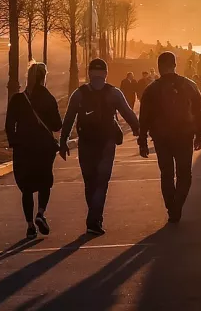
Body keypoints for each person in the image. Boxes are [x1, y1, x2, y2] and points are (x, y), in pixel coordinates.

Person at [59, 58, 140, 236]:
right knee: (102, 182)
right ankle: (94, 218)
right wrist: (138, 132)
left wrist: (63, 142)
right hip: (106, 143)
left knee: (90, 181)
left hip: (86, 142)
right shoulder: (114, 93)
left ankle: (94, 217)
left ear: (89, 73)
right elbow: (128, 114)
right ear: (105, 73)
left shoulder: (79, 94)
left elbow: (69, 119)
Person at [138, 51, 201, 224]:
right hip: (184, 136)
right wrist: (200, 134)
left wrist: (143, 142)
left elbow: (144, 117)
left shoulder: (151, 90)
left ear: (159, 67)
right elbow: (199, 111)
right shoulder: (189, 85)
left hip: (162, 139)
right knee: (185, 175)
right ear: (175, 65)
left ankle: (171, 208)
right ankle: (177, 207)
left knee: (166, 174)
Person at [5, 63, 62, 240]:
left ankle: (30, 226)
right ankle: (41, 213)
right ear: (44, 77)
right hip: (44, 147)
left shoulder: (17, 99)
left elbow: (9, 124)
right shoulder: (48, 98)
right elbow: (56, 125)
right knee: (45, 181)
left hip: (23, 148)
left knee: (27, 187)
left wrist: (14, 141)